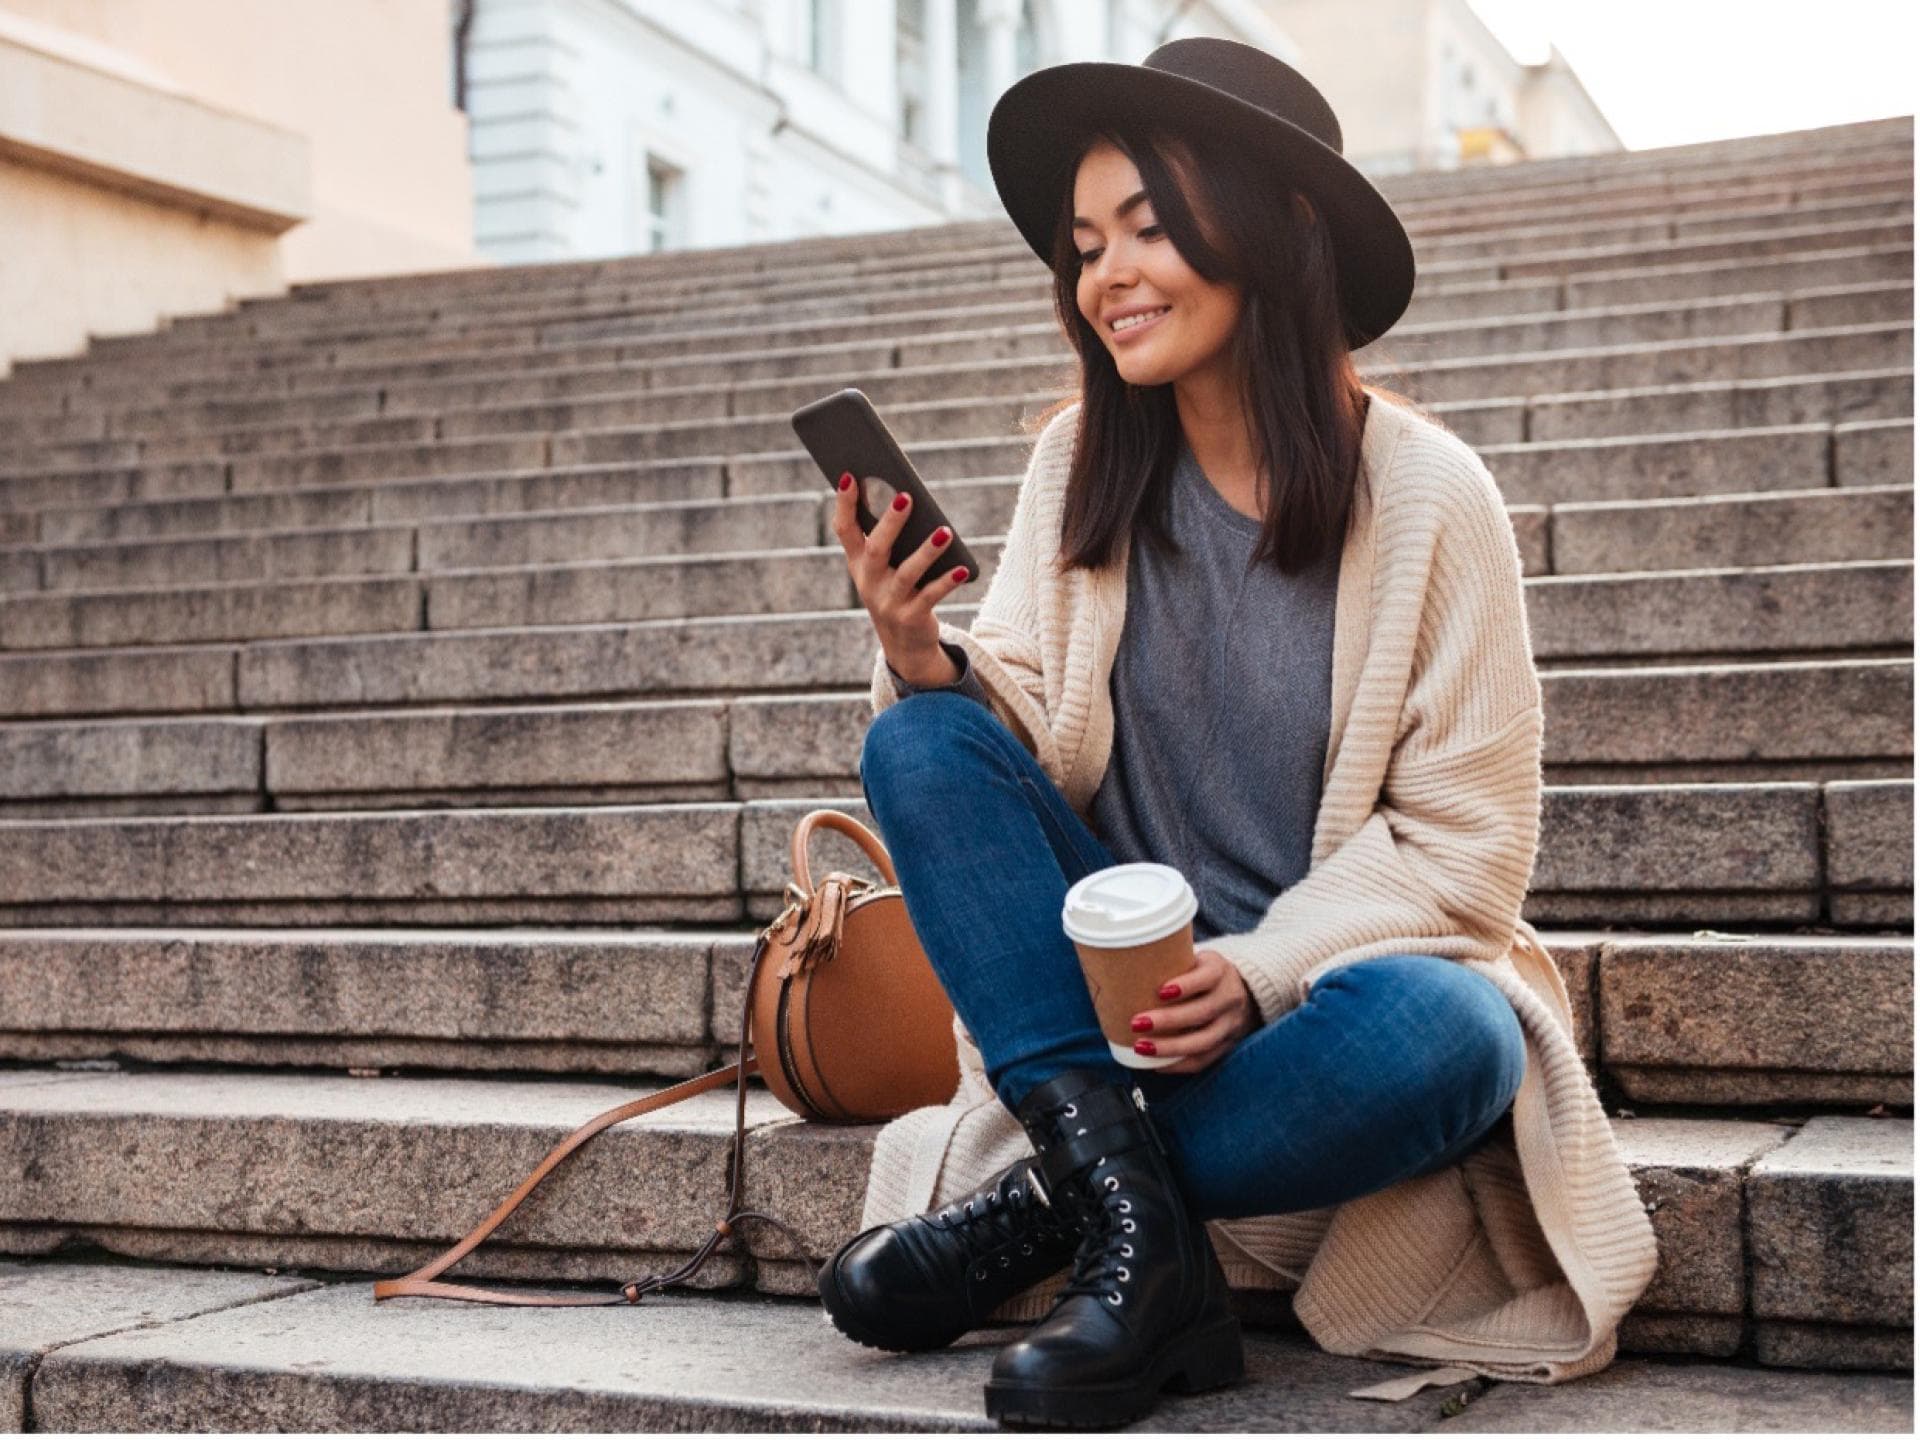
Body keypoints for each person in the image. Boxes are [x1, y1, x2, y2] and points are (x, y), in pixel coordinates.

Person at [815, 38, 1657, 1432]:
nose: (1109, 275)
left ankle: (1052, 1214)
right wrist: (918, 653)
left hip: (1315, 1004)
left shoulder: (1435, 499)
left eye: (1149, 227)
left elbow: (1469, 850)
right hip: (1104, 995)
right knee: (918, 744)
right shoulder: (1079, 460)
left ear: (1278, 232)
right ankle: (1146, 1253)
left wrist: (1259, 972)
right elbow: (1016, 723)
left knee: (1457, 1034)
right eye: (1087, 244)